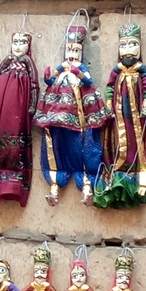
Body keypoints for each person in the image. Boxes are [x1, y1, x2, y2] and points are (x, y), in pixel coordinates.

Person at [36, 25, 112, 206]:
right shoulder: (62, 67)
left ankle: (87, 185)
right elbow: (52, 80)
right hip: (58, 113)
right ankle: (55, 185)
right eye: (69, 50)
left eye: (76, 50)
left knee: (85, 144)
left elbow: (88, 81)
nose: (72, 54)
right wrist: (48, 77)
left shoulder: (80, 67)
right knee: (55, 144)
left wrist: (77, 72)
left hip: (81, 112)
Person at [95, 22, 146, 209]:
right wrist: (109, 103)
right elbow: (110, 87)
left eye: (132, 44)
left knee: (136, 142)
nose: (128, 50)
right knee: (116, 142)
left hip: (136, 115)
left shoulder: (141, 69)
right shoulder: (117, 70)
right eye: (124, 45)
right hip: (117, 115)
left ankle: (135, 181)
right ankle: (114, 179)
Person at [0, 31, 38, 207]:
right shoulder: (7, 60)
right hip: (1, 105)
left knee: (14, 139)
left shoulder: (28, 63)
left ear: (29, 45)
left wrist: (32, 105)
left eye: (22, 42)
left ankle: (13, 186)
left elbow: (35, 84)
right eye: (15, 41)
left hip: (18, 106)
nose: (18, 45)